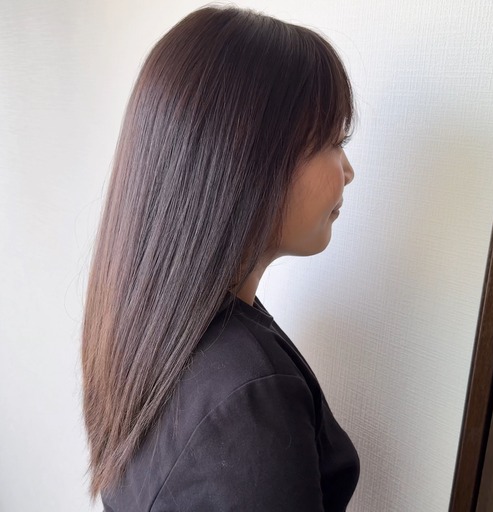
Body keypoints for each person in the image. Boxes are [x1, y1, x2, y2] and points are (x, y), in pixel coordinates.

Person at [81, 4, 359, 511]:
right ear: (247, 159)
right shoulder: (250, 397)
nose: (348, 170)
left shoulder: (143, 324)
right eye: (333, 141)